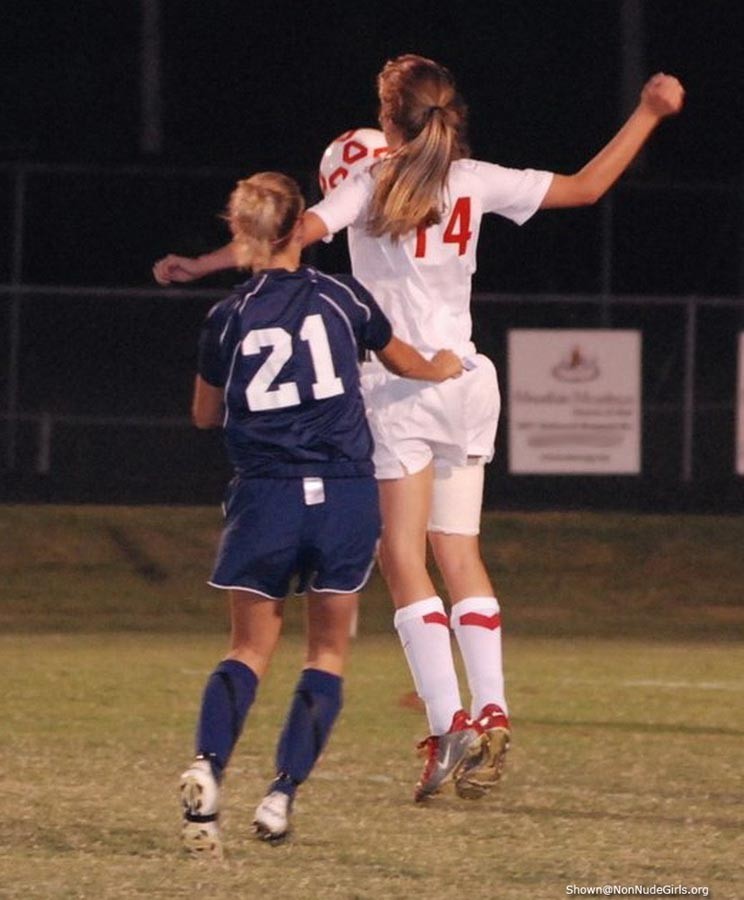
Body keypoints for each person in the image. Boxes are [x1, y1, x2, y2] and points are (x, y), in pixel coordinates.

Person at [155, 56, 685, 804]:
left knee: (402, 557)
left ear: (389, 116)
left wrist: (205, 263)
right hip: (467, 379)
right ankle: (494, 708)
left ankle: (449, 725)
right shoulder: (473, 178)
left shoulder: (369, 184)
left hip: (401, 385)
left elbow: (288, 239)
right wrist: (649, 115)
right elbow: (589, 186)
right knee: (459, 552)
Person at [179, 170, 464, 858]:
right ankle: (280, 798)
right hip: (341, 494)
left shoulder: (228, 315)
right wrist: (445, 365)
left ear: (243, 233)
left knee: (248, 649)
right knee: (328, 652)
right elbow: (404, 361)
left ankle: (207, 770)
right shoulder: (340, 296)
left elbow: (203, 415)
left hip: (266, 493)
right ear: (300, 226)